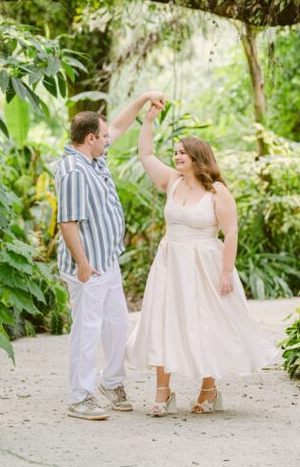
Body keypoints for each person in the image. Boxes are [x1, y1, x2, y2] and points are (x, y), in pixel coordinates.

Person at [126, 102, 278, 416]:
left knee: (206, 323)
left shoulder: (218, 192)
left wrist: (225, 273)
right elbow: (146, 155)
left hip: (205, 264)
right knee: (162, 322)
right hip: (170, 263)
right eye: (176, 152)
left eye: (183, 152)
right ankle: (162, 392)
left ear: (198, 157)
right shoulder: (171, 182)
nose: (177, 156)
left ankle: (209, 389)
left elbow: (231, 233)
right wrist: (148, 121)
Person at [55, 90, 165, 420]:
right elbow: (67, 222)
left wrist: (145, 98)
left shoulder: (94, 156)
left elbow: (118, 124)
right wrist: (84, 265)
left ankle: (112, 383)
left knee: (117, 324)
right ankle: (80, 397)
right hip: (88, 266)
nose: (108, 139)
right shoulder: (74, 171)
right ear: (90, 138)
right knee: (87, 330)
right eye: (103, 137)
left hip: (107, 259)